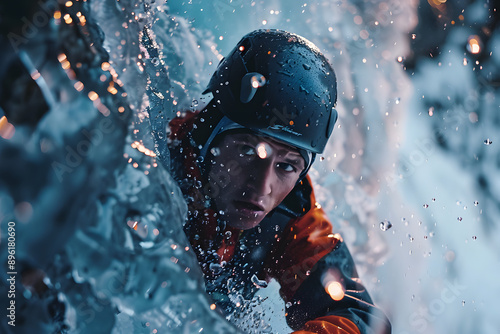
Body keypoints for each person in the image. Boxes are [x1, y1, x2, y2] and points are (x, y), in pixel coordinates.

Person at [168, 29, 391, 334]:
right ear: (209, 135)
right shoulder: (156, 166)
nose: (261, 188)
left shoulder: (290, 218)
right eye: (247, 151)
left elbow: (358, 316)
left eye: (286, 166)